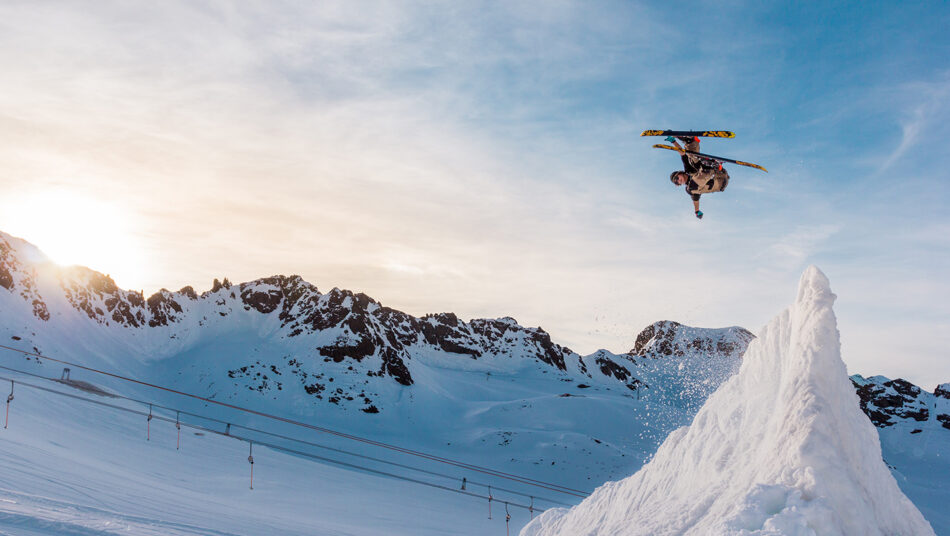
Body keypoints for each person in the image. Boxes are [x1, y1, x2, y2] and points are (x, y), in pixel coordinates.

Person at [668, 137, 729, 219]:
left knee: (691, 158)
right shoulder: (690, 188)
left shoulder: (688, 170)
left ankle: (691, 142)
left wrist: (673, 141)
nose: (678, 181)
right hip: (720, 182)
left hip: (719, 171)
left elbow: (682, 153)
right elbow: (695, 201)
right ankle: (708, 169)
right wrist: (697, 211)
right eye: (677, 183)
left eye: (676, 178)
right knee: (691, 188)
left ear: (679, 173)